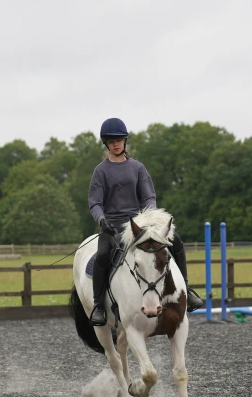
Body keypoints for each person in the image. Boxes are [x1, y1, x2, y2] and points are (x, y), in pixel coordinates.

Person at [87, 117, 204, 326]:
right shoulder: (100, 171)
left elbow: (149, 197)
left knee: (176, 241)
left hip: (139, 225)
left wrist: (149, 217)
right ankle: (98, 305)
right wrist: (102, 220)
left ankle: (187, 289)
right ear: (106, 143)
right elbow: (95, 202)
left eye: (119, 140)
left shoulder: (138, 168)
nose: (116, 144)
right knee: (103, 254)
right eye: (111, 141)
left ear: (124, 141)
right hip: (113, 225)